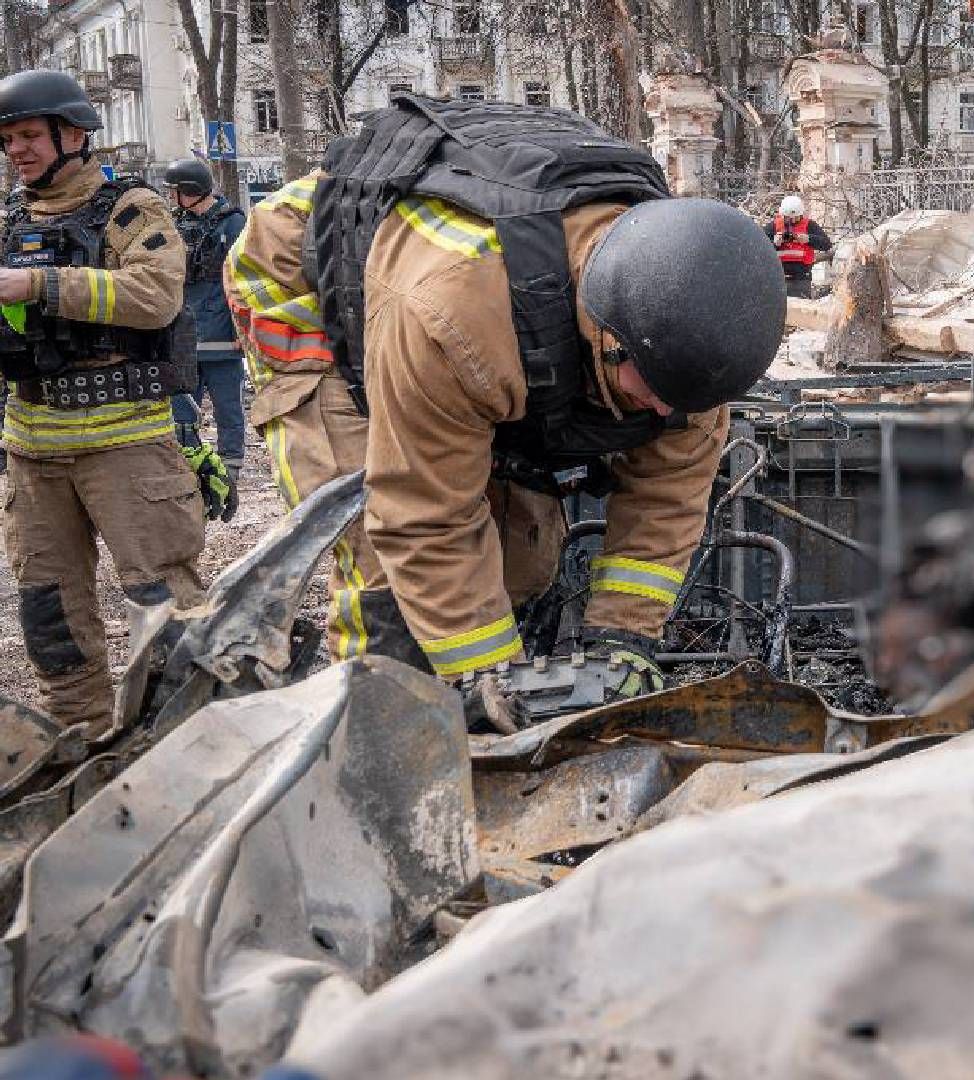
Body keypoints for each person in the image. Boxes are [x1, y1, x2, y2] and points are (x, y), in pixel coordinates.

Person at [299, 94, 784, 689]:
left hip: (494, 328)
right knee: (386, 570)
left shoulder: (683, 340)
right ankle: (373, 714)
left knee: (522, 559)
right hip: (318, 288)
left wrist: (621, 647)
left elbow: (667, 499)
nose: (667, 413)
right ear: (608, 334)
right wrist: (488, 680)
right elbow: (424, 517)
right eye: (656, 392)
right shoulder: (456, 319)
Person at [0, 70, 203, 731]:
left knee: (164, 601)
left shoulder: (131, 209)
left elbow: (156, 298)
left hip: (128, 451)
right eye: (8, 140)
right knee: (48, 611)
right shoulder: (8, 220)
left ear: (75, 134)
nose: (18, 151)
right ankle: (80, 738)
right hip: (32, 452)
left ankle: (185, 736)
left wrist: (39, 284)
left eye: (29, 135)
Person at [224, 170, 427, 665]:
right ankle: (365, 696)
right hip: (323, 383)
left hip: (395, 363)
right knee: (374, 546)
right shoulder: (302, 212)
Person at [163, 157, 247, 475]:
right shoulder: (175, 226)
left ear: (192, 190)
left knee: (228, 407)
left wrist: (242, 331)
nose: (172, 198)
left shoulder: (233, 223)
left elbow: (243, 281)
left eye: (176, 191)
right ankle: (189, 464)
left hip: (224, 337)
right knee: (183, 407)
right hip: (185, 337)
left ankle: (231, 468)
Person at [765, 194, 830, 300]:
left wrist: (809, 239)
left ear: (800, 214)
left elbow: (826, 244)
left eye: (794, 218)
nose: (791, 221)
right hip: (778, 279)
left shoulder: (809, 225)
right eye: (787, 218)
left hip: (801, 279)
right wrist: (774, 244)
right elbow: (760, 248)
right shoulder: (774, 226)